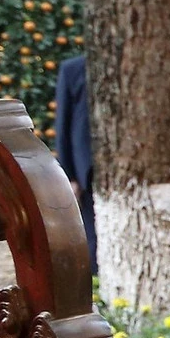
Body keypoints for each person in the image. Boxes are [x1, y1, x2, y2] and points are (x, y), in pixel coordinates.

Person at [53, 53, 96, 265]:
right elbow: (63, 126)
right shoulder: (74, 68)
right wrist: (69, 175)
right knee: (94, 243)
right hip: (89, 172)